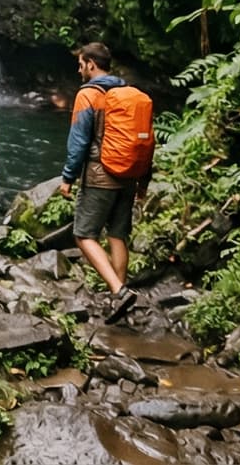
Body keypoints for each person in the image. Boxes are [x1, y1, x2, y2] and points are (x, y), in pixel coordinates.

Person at [56, 41, 156, 321]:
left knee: (84, 234)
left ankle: (119, 291)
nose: (79, 70)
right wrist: (143, 183)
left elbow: (78, 141)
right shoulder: (131, 93)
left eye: (80, 64)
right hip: (128, 176)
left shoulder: (88, 95)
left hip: (101, 174)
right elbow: (148, 141)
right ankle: (119, 300)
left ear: (90, 63)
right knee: (117, 235)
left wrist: (68, 177)